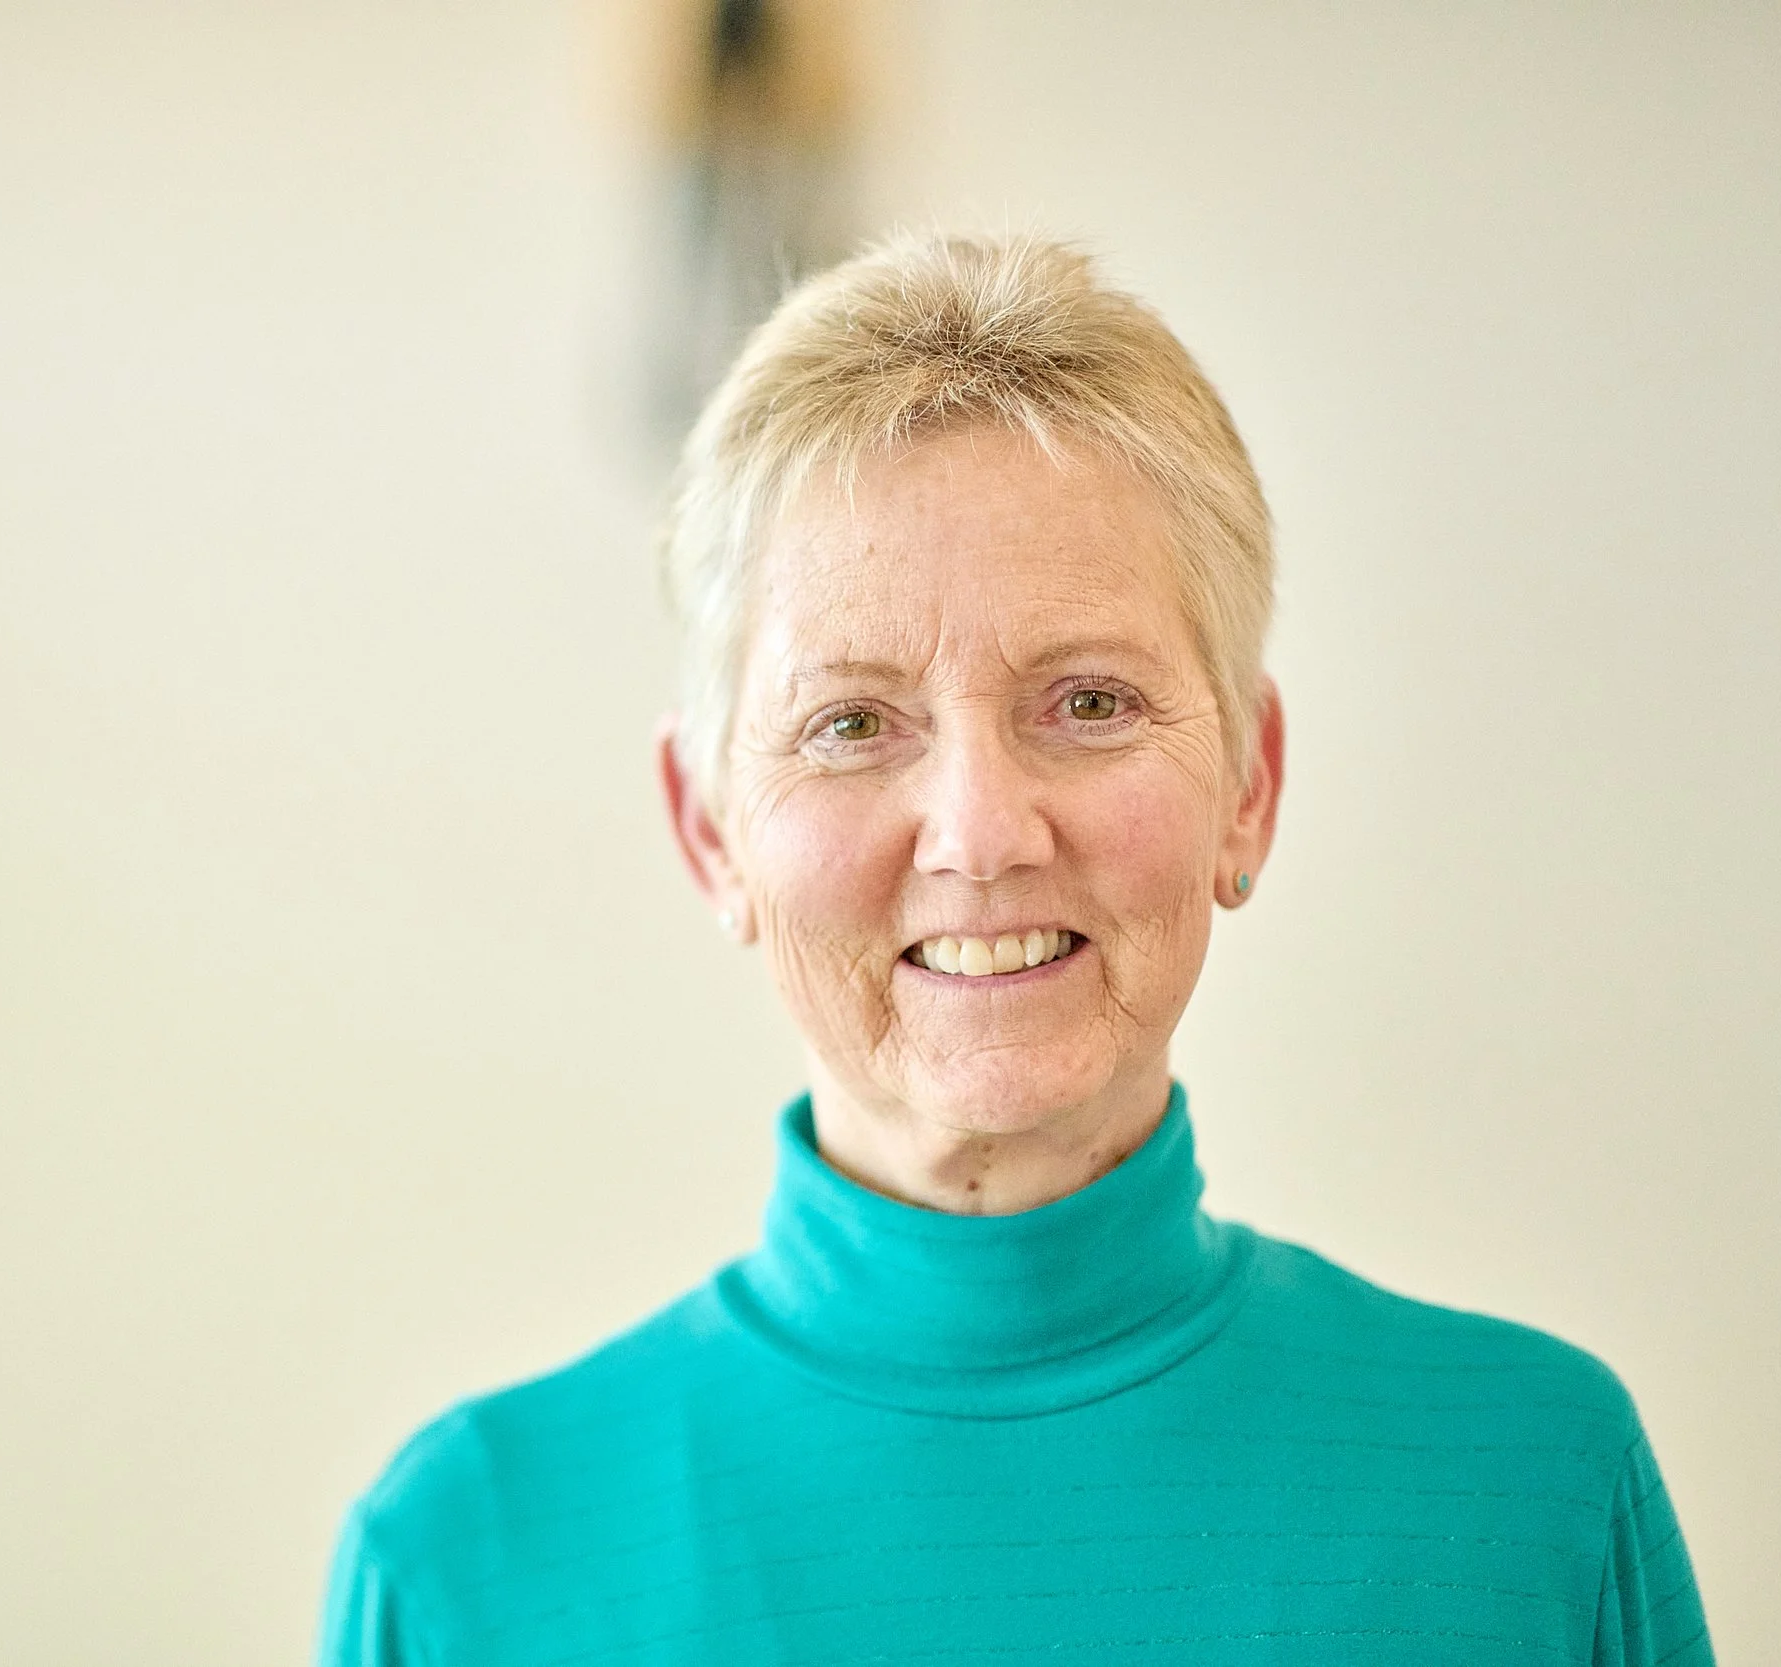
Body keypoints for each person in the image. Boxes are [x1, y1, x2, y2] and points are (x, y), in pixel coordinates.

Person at [318, 231, 1711, 1665]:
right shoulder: (468, 1564)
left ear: (1249, 784)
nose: (981, 835)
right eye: (852, 723)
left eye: (1090, 701)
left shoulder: (1535, 1494)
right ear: (711, 829)